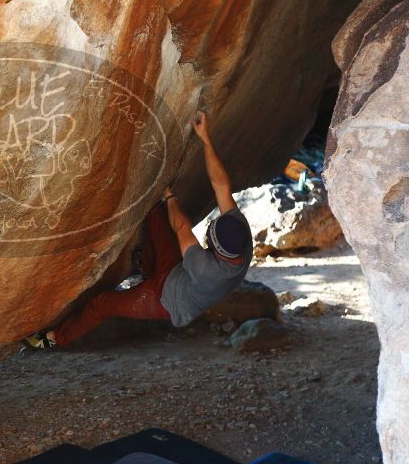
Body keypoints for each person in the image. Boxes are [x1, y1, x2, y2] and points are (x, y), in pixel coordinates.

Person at [22, 111, 253, 349]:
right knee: (154, 213)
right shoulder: (239, 236)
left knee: (101, 305)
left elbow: (182, 227)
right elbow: (221, 186)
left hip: (167, 300)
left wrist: (169, 196)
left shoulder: (208, 271)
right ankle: (148, 267)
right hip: (180, 272)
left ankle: (51, 339)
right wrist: (205, 138)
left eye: (209, 235)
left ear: (215, 250)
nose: (207, 232)